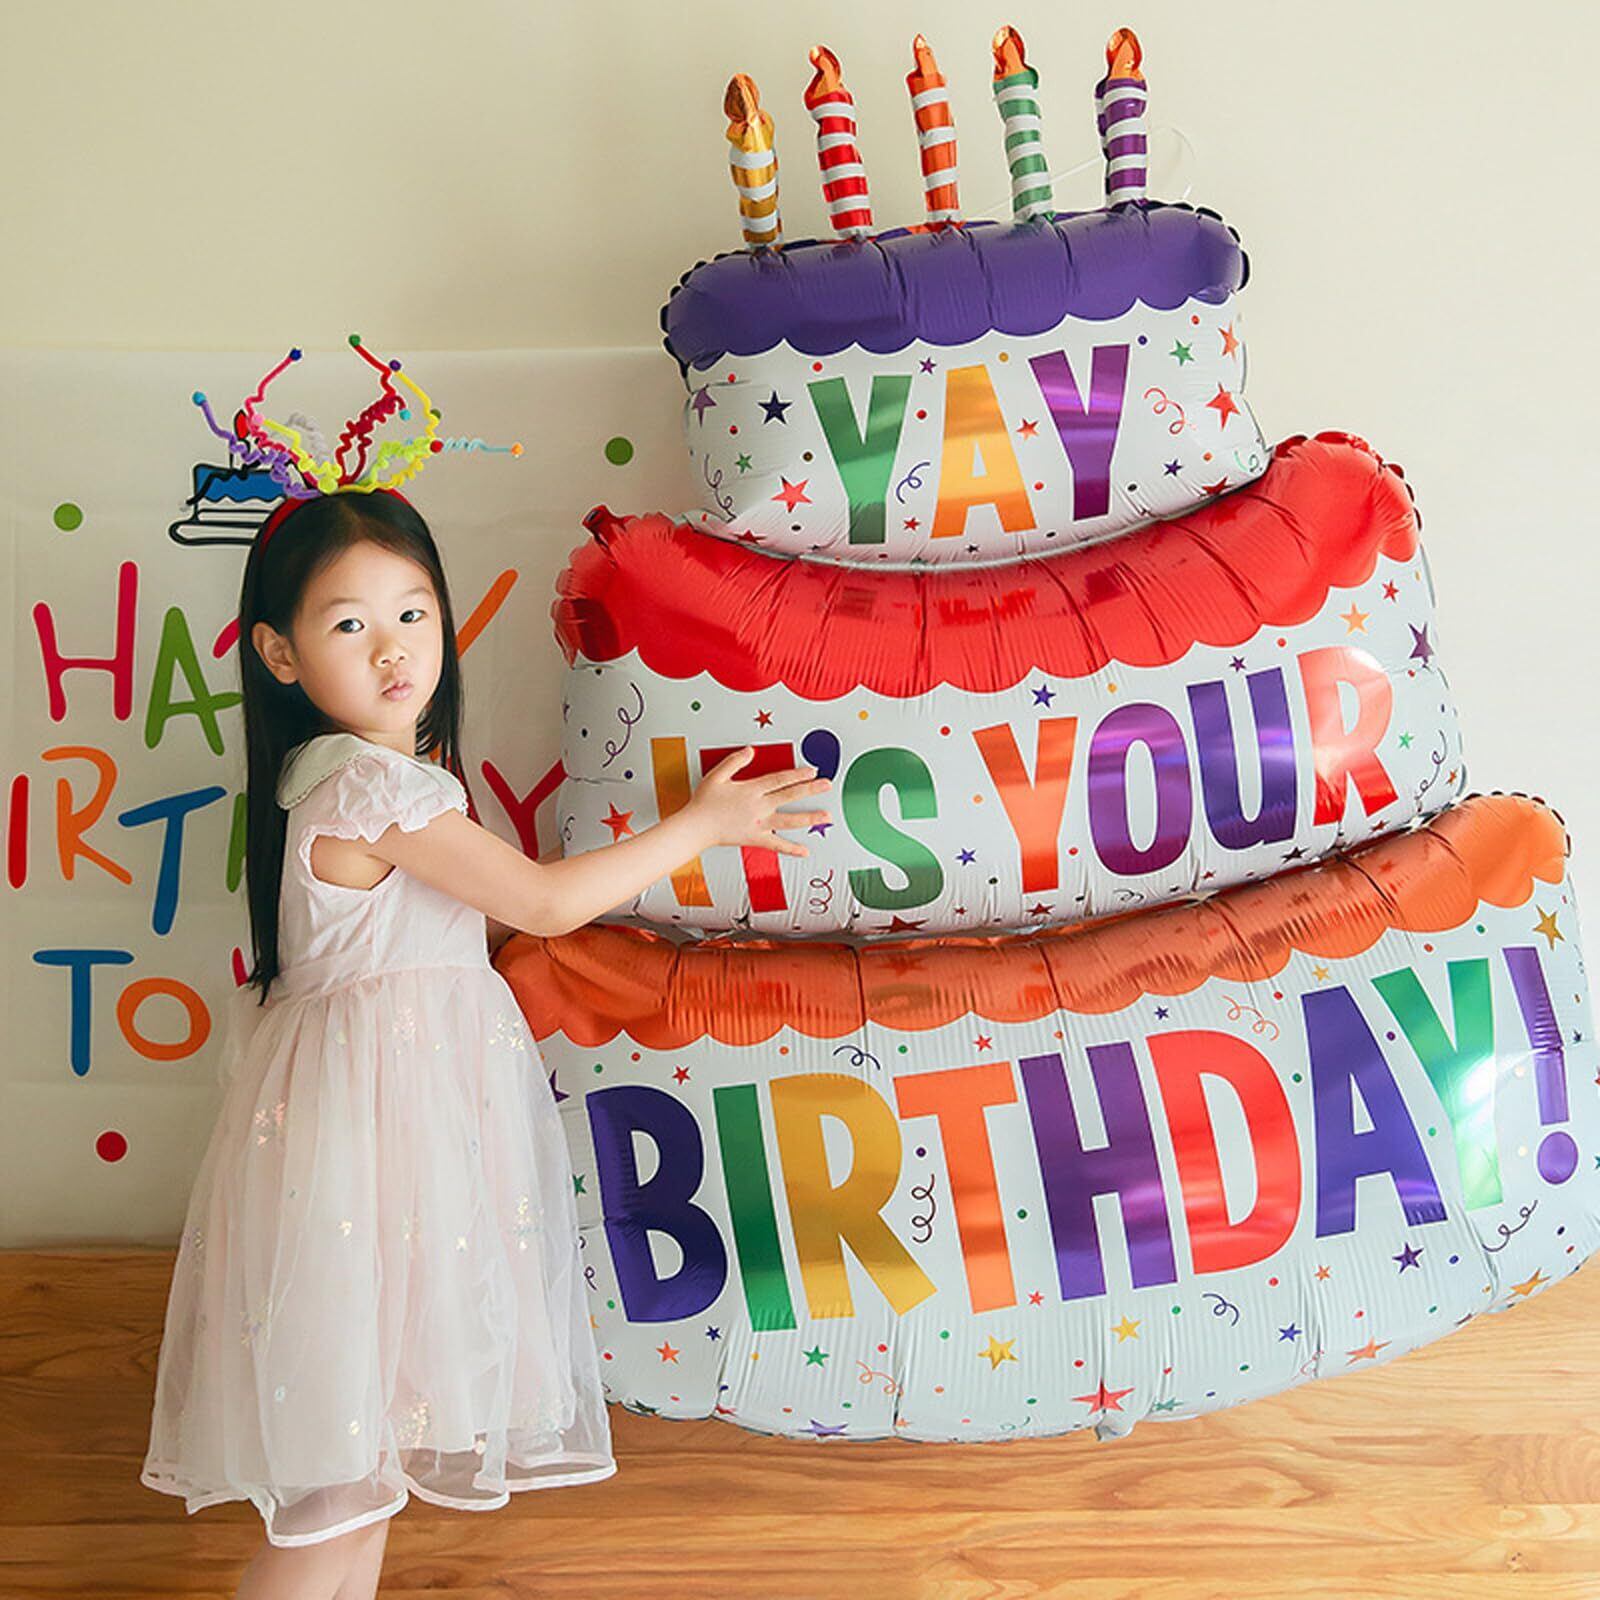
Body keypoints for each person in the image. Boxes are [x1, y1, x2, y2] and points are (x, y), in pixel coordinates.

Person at [138, 350, 831, 1599]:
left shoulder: (349, 779)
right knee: (338, 1498)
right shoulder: (370, 785)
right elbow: (545, 904)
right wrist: (703, 826)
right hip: (379, 1155)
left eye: (412, 613)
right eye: (348, 624)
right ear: (280, 655)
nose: (393, 648)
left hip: (383, 1149)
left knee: (363, 1483)